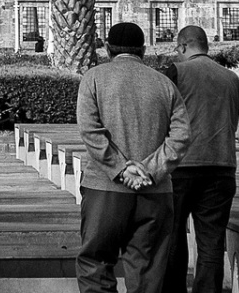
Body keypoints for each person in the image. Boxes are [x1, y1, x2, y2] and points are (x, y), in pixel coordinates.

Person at [77, 21, 191, 293]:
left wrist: (121, 169)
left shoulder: (93, 78)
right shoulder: (164, 84)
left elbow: (90, 131)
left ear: (107, 49)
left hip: (105, 190)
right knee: (148, 271)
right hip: (155, 192)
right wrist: (150, 170)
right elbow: (181, 135)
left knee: (96, 264)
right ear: (143, 50)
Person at [162, 25, 239, 293]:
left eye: (178, 48)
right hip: (221, 167)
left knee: (173, 236)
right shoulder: (231, 78)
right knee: (211, 242)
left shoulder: (177, 71)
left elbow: (163, 116)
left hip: (182, 166)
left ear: (184, 45)